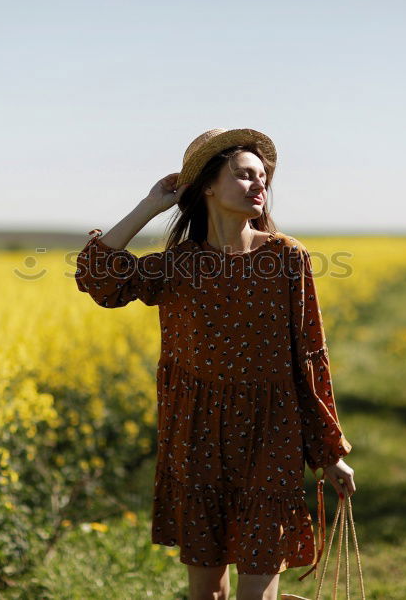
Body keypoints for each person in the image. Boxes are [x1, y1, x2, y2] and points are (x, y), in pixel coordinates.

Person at [75, 128, 356, 600]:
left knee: (259, 582)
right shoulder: (180, 262)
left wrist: (328, 452)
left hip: (271, 434)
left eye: (262, 176)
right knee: (205, 592)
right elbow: (97, 278)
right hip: (196, 434)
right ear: (206, 185)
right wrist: (150, 206)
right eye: (244, 175)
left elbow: (309, 358)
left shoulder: (286, 257)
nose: (258, 185)